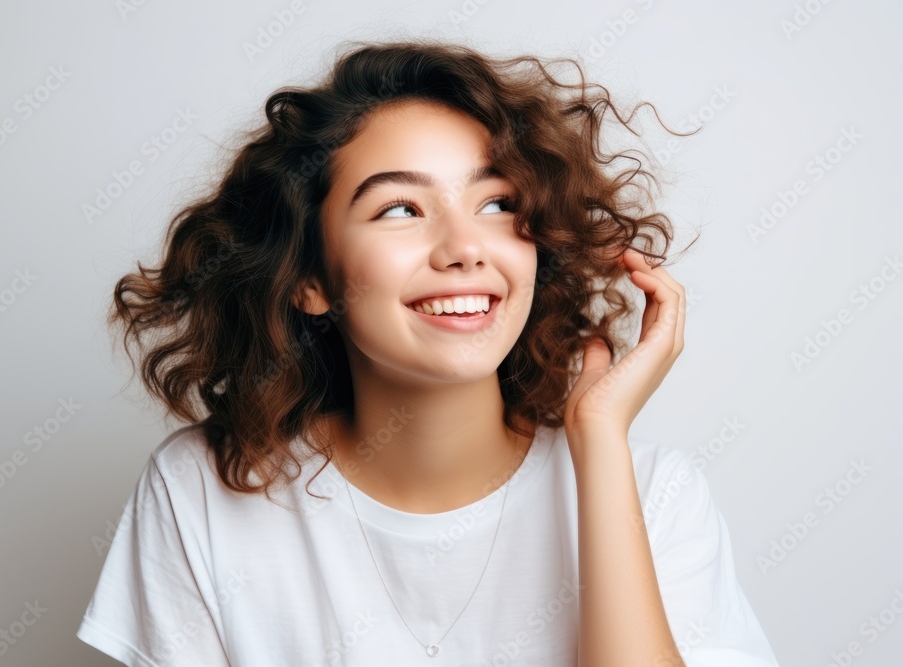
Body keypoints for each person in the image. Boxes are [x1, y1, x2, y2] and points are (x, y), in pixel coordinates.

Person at [76, 38, 781, 666]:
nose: (465, 248)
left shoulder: (654, 496)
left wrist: (596, 444)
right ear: (311, 280)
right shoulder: (202, 492)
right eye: (401, 210)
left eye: (499, 203)